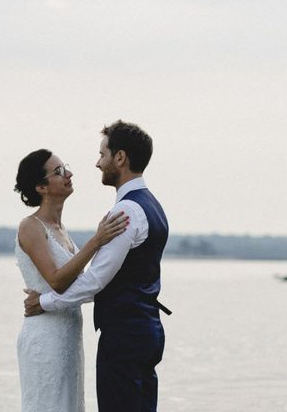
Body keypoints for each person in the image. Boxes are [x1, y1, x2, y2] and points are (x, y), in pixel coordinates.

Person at [24, 120, 170, 412]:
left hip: (125, 337)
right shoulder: (153, 206)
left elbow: (95, 280)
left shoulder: (125, 211)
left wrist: (44, 303)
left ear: (120, 158)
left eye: (102, 154)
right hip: (146, 330)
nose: (97, 163)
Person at [14, 148, 128, 412]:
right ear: (41, 186)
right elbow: (56, 281)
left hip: (69, 337)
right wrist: (97, 241)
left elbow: (83, 283)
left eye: (65, 167)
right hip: (45, 337)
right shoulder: (30, 226)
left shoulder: (62, 230)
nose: (69, 174)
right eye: (59, 172)